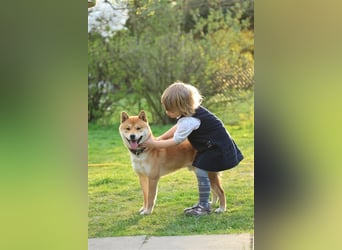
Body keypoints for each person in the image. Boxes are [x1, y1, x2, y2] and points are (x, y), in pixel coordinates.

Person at [142, 82, 243, 216]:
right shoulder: (190, 112)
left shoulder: (190, 121)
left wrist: (153, 144)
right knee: (203, 172)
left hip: (217, 149)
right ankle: (205, 202)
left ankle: (207, 206)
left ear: (181, 107)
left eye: (170, 109)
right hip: (209, 147)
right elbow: (177, 127)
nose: (167, 112)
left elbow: (176, 140)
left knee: (203, 173)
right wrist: (159, 138)